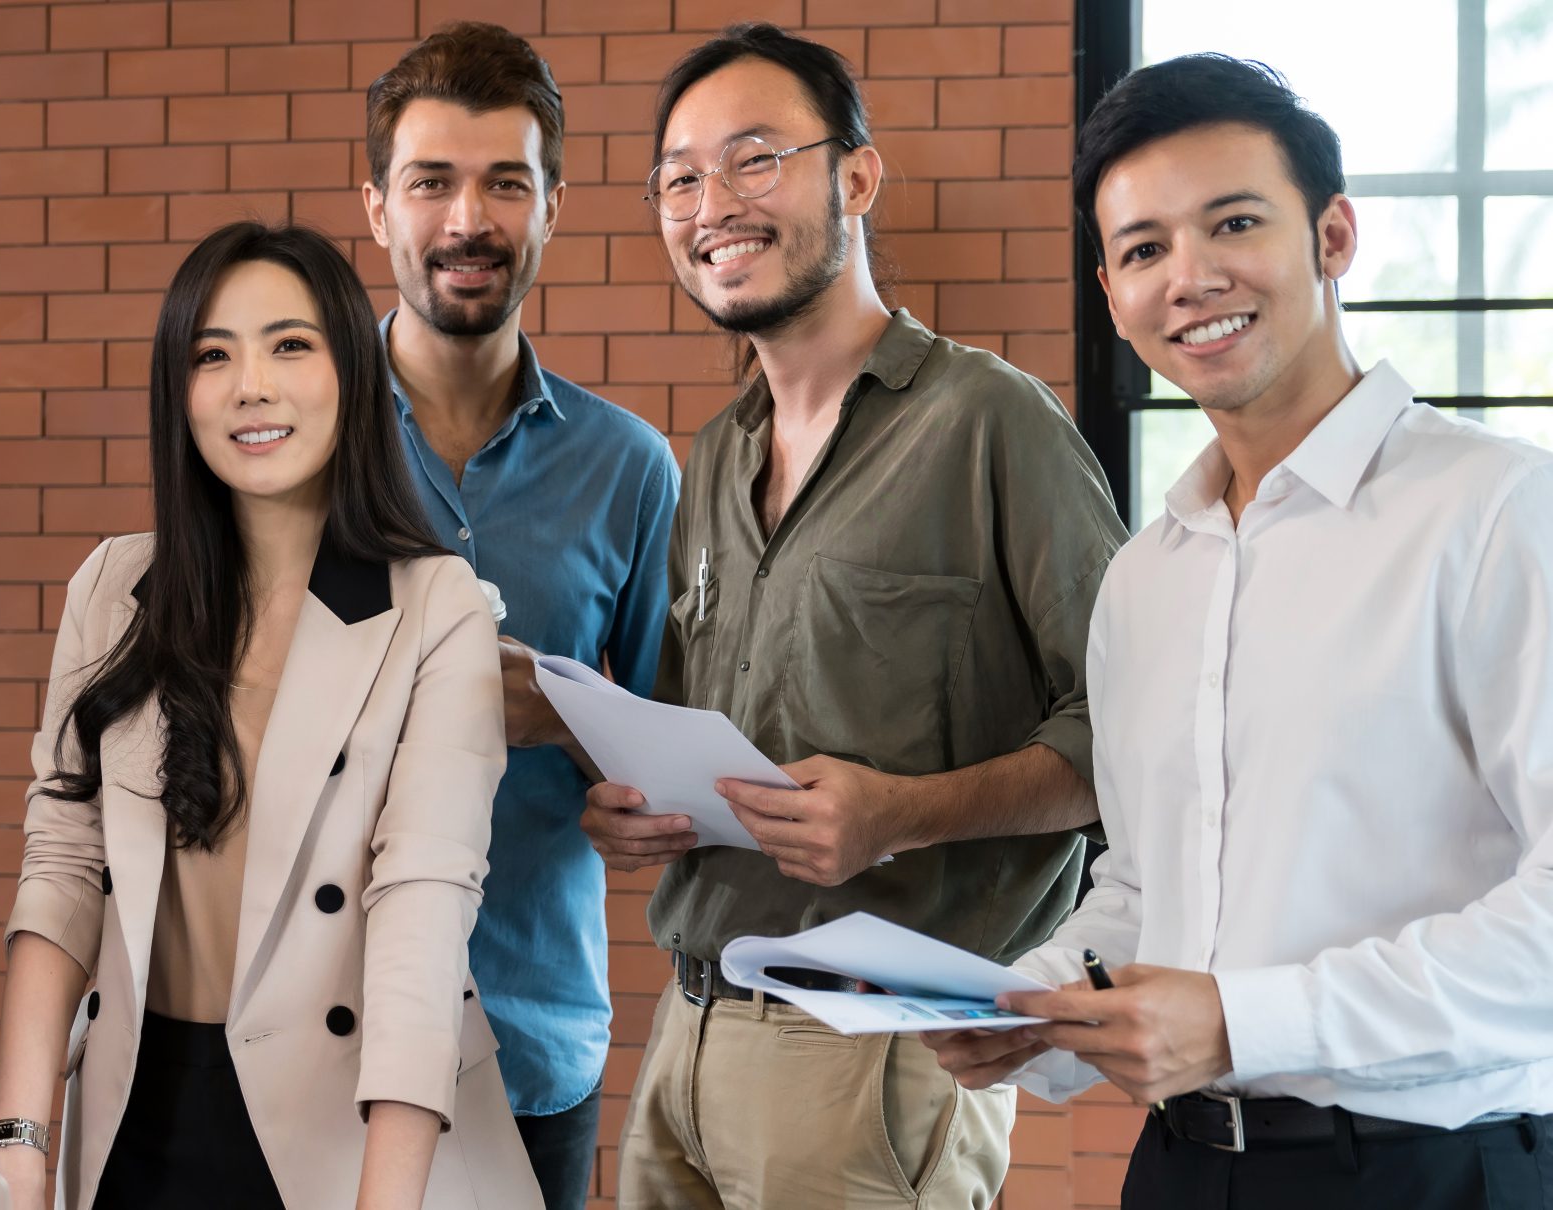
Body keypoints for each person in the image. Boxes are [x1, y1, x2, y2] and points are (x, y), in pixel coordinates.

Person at [924, 54, 1553, 1210]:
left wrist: (1241, 1020)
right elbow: (1146, 888)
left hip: (1432, 1173)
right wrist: (1034, 1004)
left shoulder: (1501, 511)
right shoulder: (1145, 578)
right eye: (1144, 249)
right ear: (1110, 293)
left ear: (1332, 236)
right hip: (1181, 1169)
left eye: (1234, 223)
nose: (1191, 276)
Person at [581, 23, 1129, 1209]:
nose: (712, 202)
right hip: (687, 1029)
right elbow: (698, 726)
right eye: (679, 178)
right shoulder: (714, 455)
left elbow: (1132, 736)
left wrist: (904, 814)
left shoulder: (992, 423)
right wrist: (642, 809)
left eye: (755, 158)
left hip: (875, 1057)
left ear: (858, 177)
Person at [0, 221, 541, 1210]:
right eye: (212, 354)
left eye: (290, 345)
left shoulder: (433, 603)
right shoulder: (112, 586)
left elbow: (422, 905)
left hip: (355, 1132)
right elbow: (61, 863)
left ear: (350, 375)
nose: (251, 386)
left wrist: (385, 1200)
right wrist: (19, 1143)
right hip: (134, 1117)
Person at [359, 23, 679, 1209]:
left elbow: (669, 744)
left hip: (532, 1034)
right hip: (305, 1028)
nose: (466, 220)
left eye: (505, 182)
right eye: (430, 181)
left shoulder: (631, 468)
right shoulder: (286, 441)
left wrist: (565, 714)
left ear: (553, 204)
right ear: (377, 207)